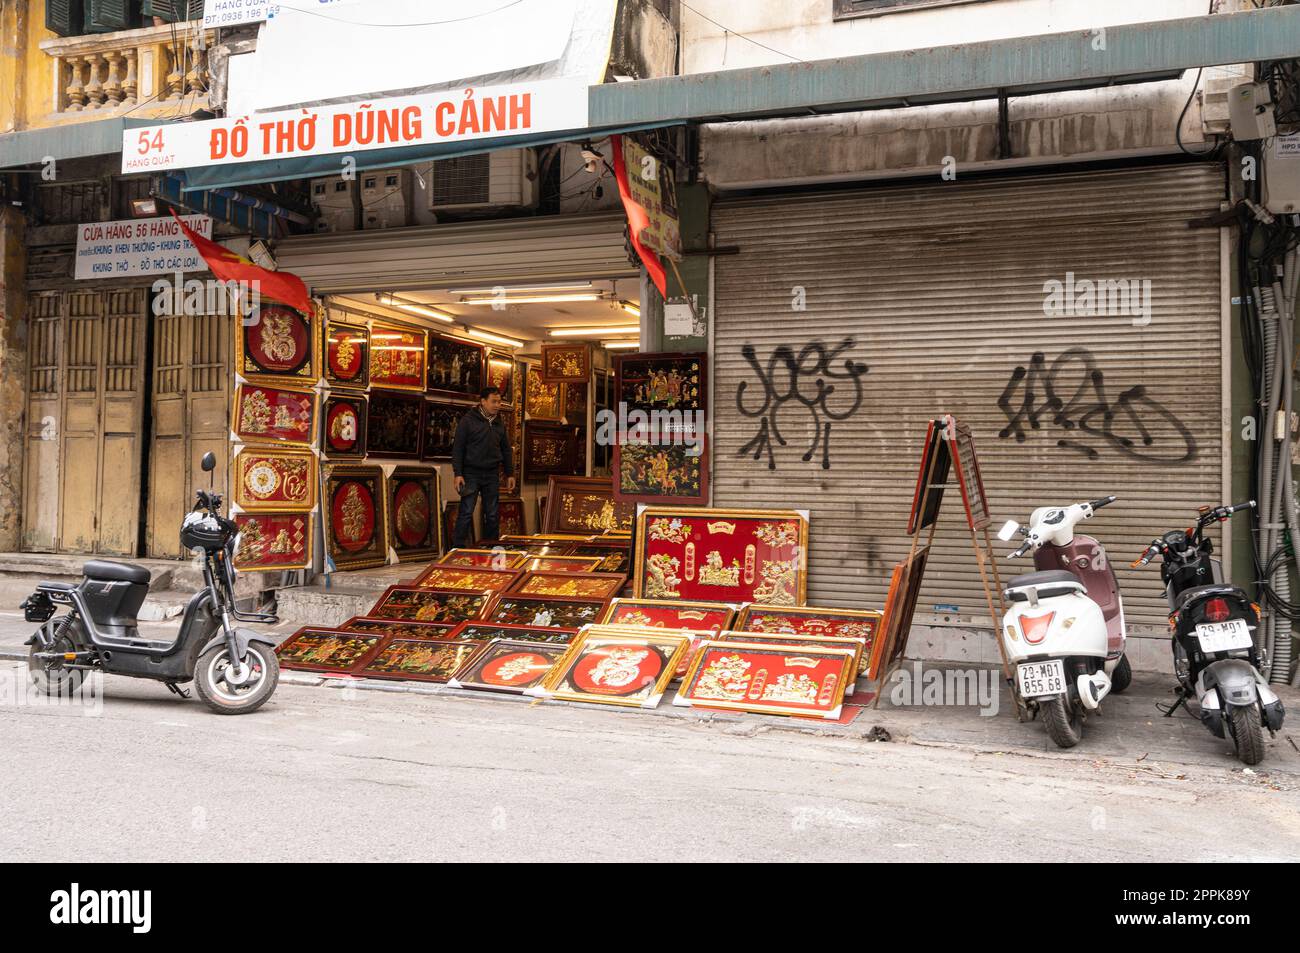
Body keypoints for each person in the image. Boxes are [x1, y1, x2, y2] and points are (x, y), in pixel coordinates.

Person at [451, 386, 516, 546]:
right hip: (470, 473)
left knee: (492, 514)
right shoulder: (468, 421)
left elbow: (506, 450)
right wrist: (458, 473)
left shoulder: (499, 423)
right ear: (483, 402)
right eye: (493, 402)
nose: (497, 405)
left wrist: (510, 474)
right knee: (466, 512)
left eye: (499, 402)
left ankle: (491, 550)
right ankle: (456, 551)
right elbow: (458, 448)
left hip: (492, 474)